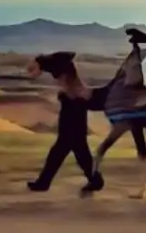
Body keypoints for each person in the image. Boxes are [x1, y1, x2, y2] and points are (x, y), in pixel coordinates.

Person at [27, 59, 105, 193]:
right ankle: (95, 180)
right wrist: (40, 65)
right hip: (73, 123)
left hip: (72, 122)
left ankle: (43, 183)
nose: (57, 80)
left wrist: (40, 63)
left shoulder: (72, 83)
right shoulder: (72, 83)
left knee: (60, 153)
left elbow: (60, 60)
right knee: (81, 156)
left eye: (58, 76)